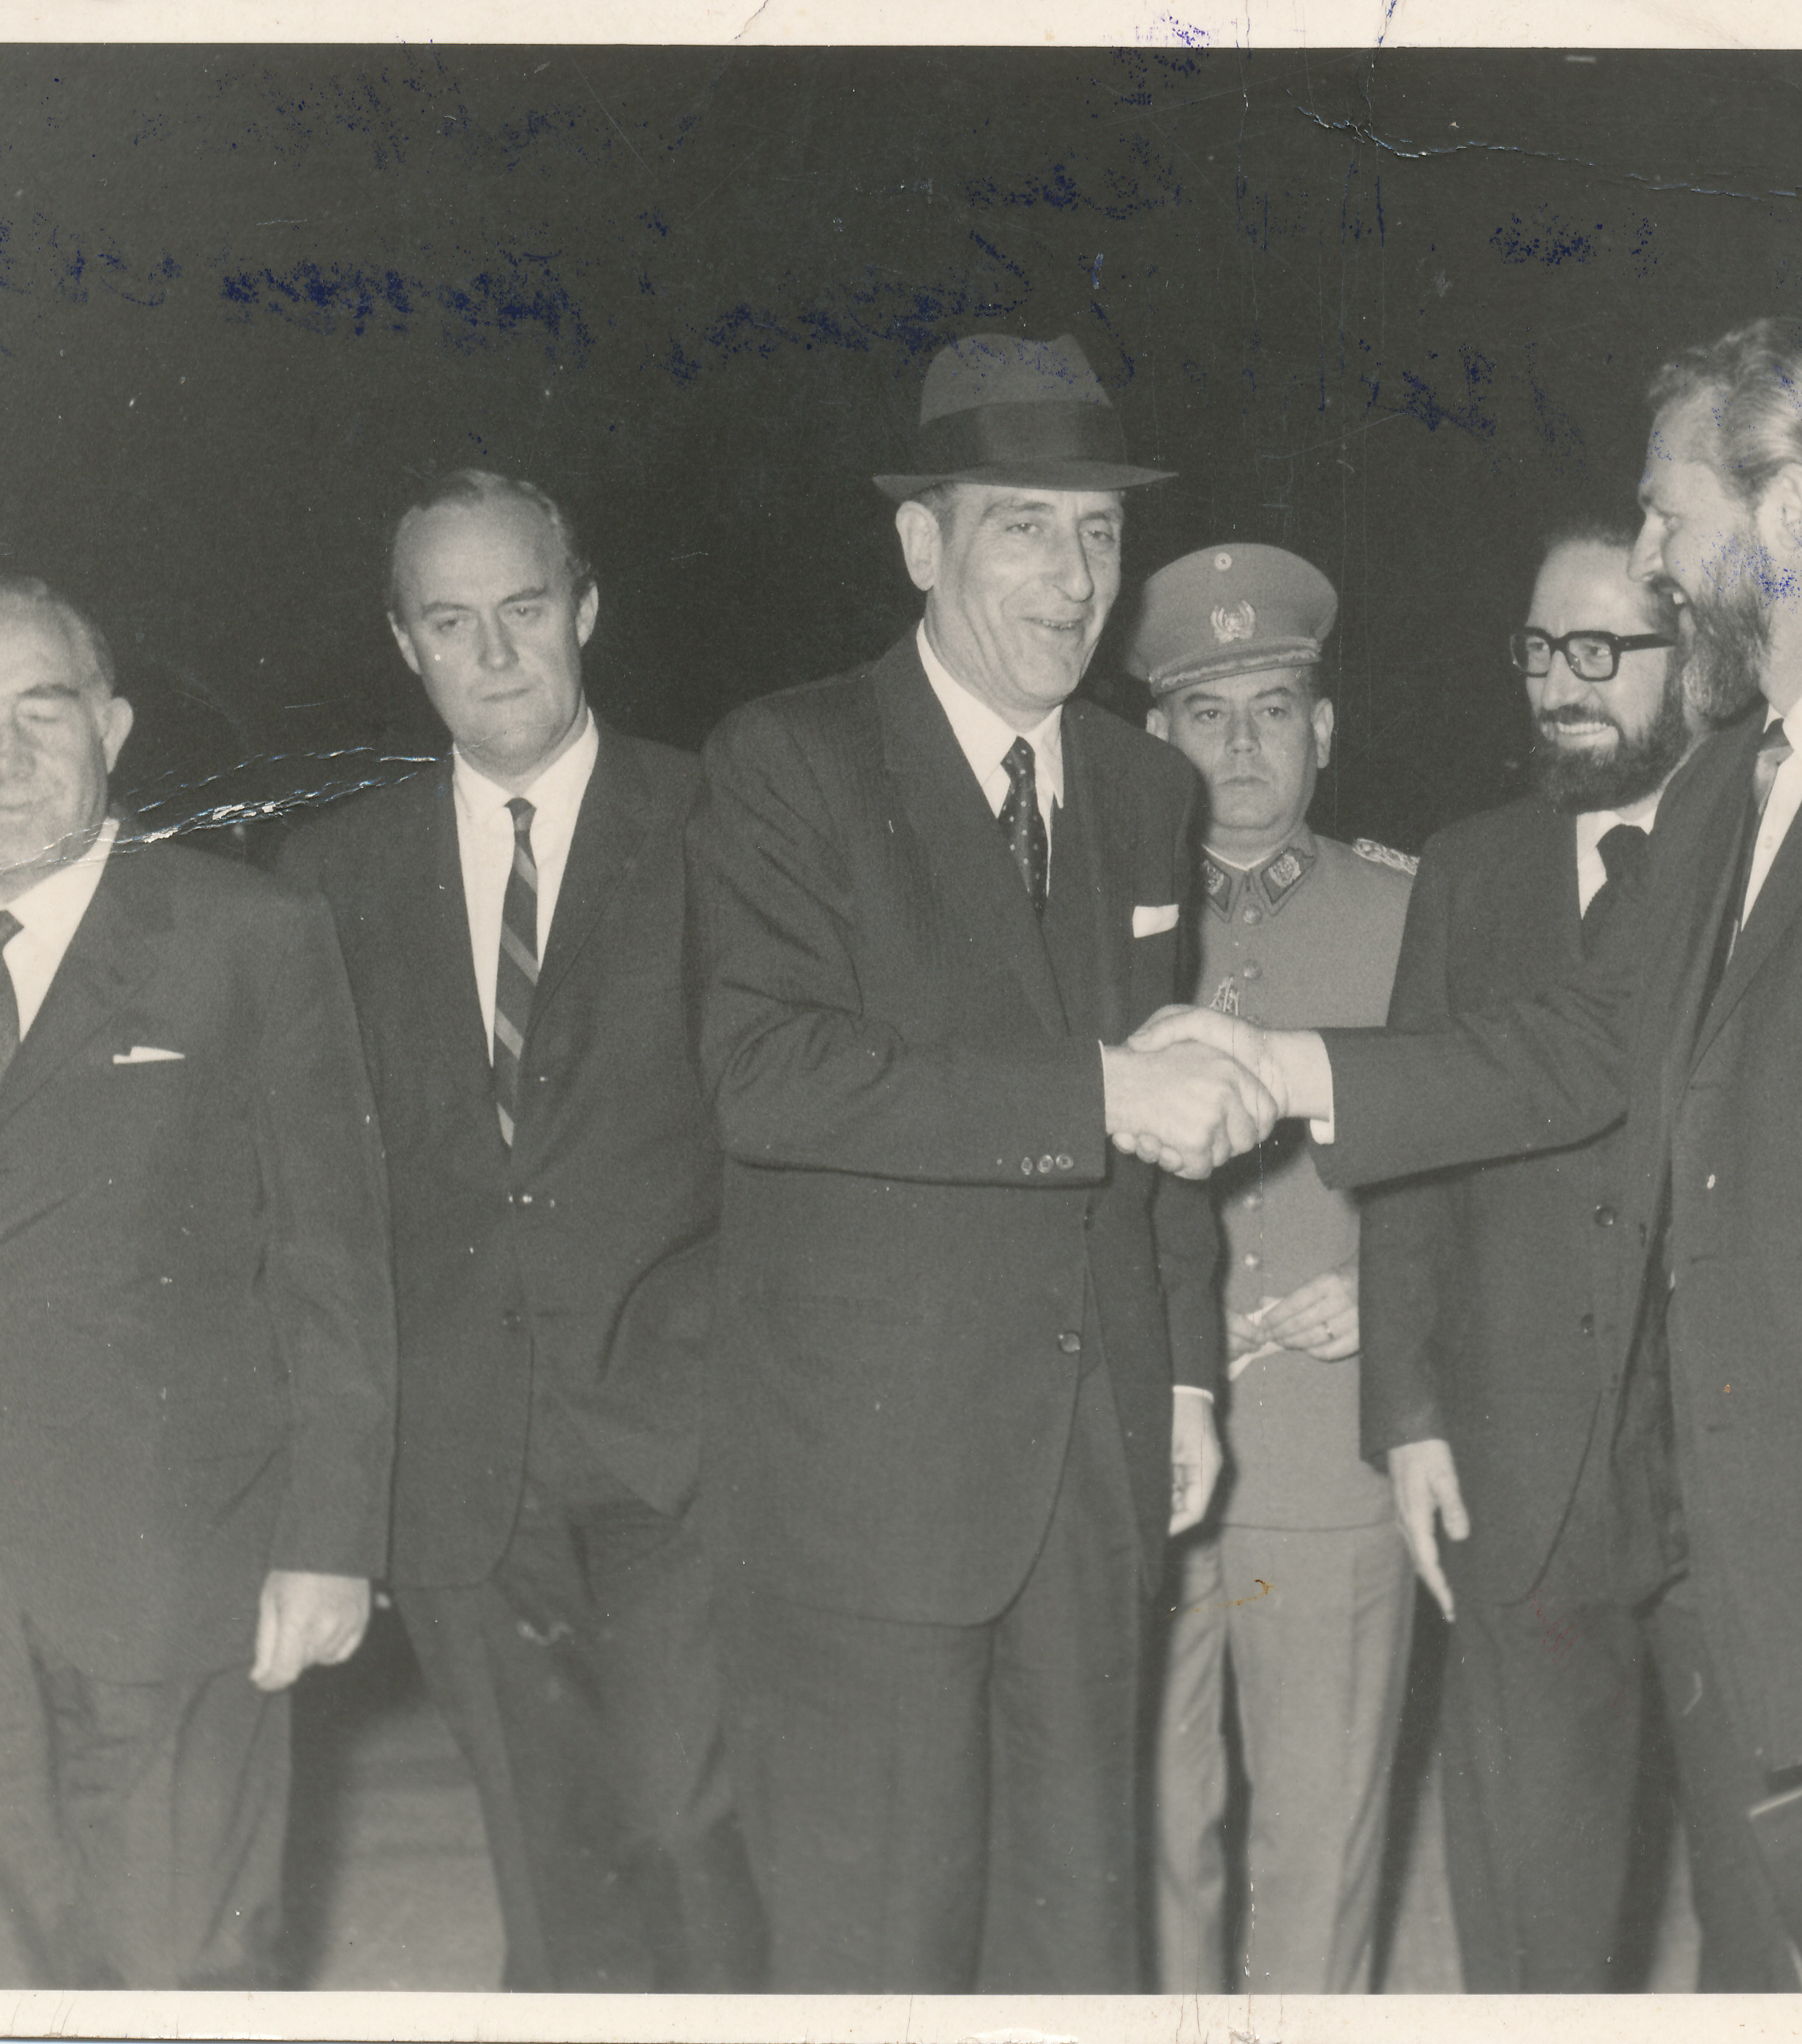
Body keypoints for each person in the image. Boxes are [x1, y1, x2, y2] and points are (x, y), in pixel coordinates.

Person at [1130, 317, 1802, 1988]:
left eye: (1667, 513)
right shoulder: (1730, 790)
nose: (1650, 558)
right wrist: (1280, 1065)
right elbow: (1582, 1046)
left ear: (1787, 517)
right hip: (1740, 1578)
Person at [685, 332, 1265, 1992]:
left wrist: (1185, 1375)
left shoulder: (1146, 787)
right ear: (920, 543)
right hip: (871, 1489)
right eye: (1025, 527)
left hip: (1090, 1467)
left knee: (1076, 1946)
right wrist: (1095, 1092)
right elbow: (769, 1076)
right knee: (881, 1950)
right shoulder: (789, 759)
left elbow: (1162, 1128)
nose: (1075, 580)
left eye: (1100, 533)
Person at [0, 575, 395, 1988]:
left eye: (43, 710)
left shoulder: (245, 934)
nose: (5, 755)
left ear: (112, 727)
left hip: (179, 1552)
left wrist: (331, 1539)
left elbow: (334, 1261)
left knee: (189, 1973)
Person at [279, 471, 763, 1990]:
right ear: (404, 643)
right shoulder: (331, 875)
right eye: (451, 621)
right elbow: (320, 1198)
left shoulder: (719, 822)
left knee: (696, 1832)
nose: (493, 654)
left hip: (685, 1444)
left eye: (525, 608)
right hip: (461, 1469)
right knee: (552, 1882)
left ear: (587, 610)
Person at [1357, 525, 1713, 1991]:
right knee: (1533, 1917)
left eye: (1604, 652)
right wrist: (1407, 1414)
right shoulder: (1468, 870)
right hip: (1518, 1462)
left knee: (1775, 1895)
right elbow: (1409, 1164)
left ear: (1697, 662)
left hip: (1738, 1467)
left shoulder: (1765, 845)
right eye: (1541, 650)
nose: (1562, 686)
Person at [1128, 543, 1418, 1993]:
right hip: (1137, 1450)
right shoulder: (1098, 925)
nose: (1241, 744)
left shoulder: (1416, 918)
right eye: (1206, 712)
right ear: (1155, 740)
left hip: (1326, 1449)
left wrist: (1390, 1294)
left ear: (1325, 729)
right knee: (1144, 1846)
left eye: (1272, 708)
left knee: (1319, 1847)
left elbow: (1488, 1159)